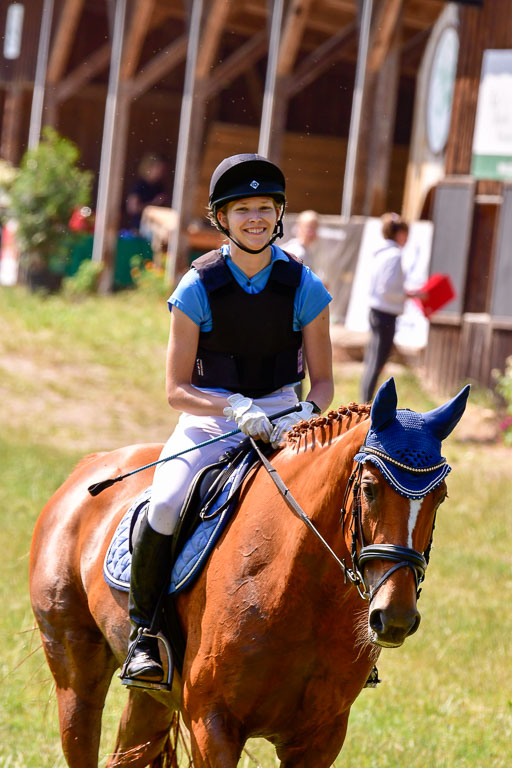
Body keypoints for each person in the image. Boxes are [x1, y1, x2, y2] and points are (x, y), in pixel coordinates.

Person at [123, 153, 334, 684]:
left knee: (333, 501)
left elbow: (325, 382)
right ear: (222, 217)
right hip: (211, 417)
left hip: (287, 416)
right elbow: (175, 391)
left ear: (280, 213)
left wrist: (305, 412)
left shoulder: (306, 286)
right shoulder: (196, 288)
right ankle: (144, 635)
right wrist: (233, 405)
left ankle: (339, 638)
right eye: (243, 209)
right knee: (168, 501)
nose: (256, 218)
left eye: (266, 207)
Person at [360, 212, 425, 403]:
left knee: (372, 360)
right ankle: (365, 404)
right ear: (399, 233)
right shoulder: (394, 255)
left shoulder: (380, 253)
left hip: (376, 311)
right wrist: (409, 294)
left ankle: (364, 400)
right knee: (377, 362)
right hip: (386, 313)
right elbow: (385, 288)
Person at [125, 153, 170, 232]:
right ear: (149, 167)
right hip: (138, 229)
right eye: (159, 168)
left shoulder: (159, 186)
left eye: (163, 170)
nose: (161, 172)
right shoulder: (140, 185)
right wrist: (153, 203)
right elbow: (132, 209)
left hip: (154, 229)